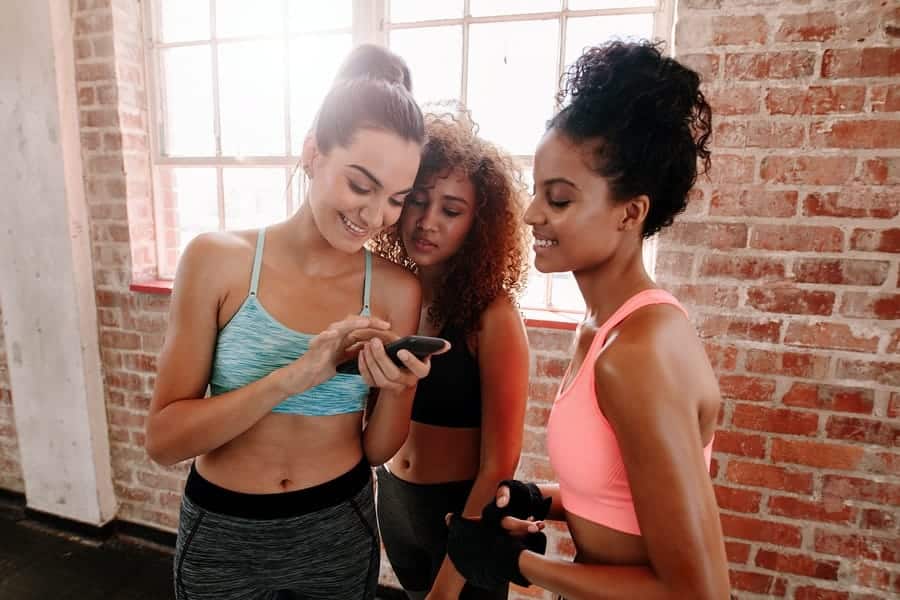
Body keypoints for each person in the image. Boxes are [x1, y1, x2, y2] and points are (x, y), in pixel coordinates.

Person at [146, 45, 441, 600]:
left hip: (336, 525)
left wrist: (399, 390)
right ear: (313, 152)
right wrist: (296, 375)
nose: (374, 217)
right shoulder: (219, 260)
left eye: (396, 199)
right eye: (360, 185)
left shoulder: (396, 288)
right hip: (223, 531)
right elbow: (164, 441)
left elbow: (377, 450)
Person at [445, 40, 731, 600]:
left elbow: (699, 592)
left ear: (632, 212)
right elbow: (620, 498)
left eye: (558, 199)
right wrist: (537, 498)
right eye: (536, 192)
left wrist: (518, 566)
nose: (531, 214)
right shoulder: (603, 328)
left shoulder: (638, 352)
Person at [371, 112, 530, 600]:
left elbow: (501, 459)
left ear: (479, 223)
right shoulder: (395, 296)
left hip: (462, 513)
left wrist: (455, 569)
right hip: (396, 504)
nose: (427, 221)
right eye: (417, 201)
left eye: (451, 210)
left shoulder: (494, 315)